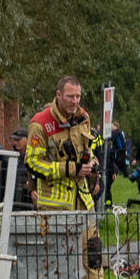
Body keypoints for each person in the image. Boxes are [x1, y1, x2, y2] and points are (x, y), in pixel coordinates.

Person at [25, 76, 100, 210]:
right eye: (70, 96)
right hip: (54, 207)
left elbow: (88, 150)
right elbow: (32, 162)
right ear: (58, 95)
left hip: (84, 202)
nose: (75, 101)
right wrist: (72, 169)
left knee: (91, 232)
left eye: (78, 96)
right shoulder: (40, 123)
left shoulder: (83, 118)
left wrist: (93, 163)